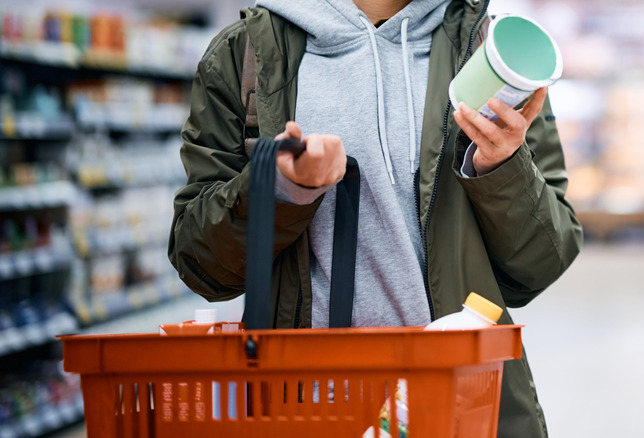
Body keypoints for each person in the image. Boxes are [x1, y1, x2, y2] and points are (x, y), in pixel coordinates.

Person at [168, 0, 583, 436]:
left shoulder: (491, 54)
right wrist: (283, 190)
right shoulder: (244, 55)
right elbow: (202, 265)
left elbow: (539, 265)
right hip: (304, 409)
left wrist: (502, 167)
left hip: (458, 407)